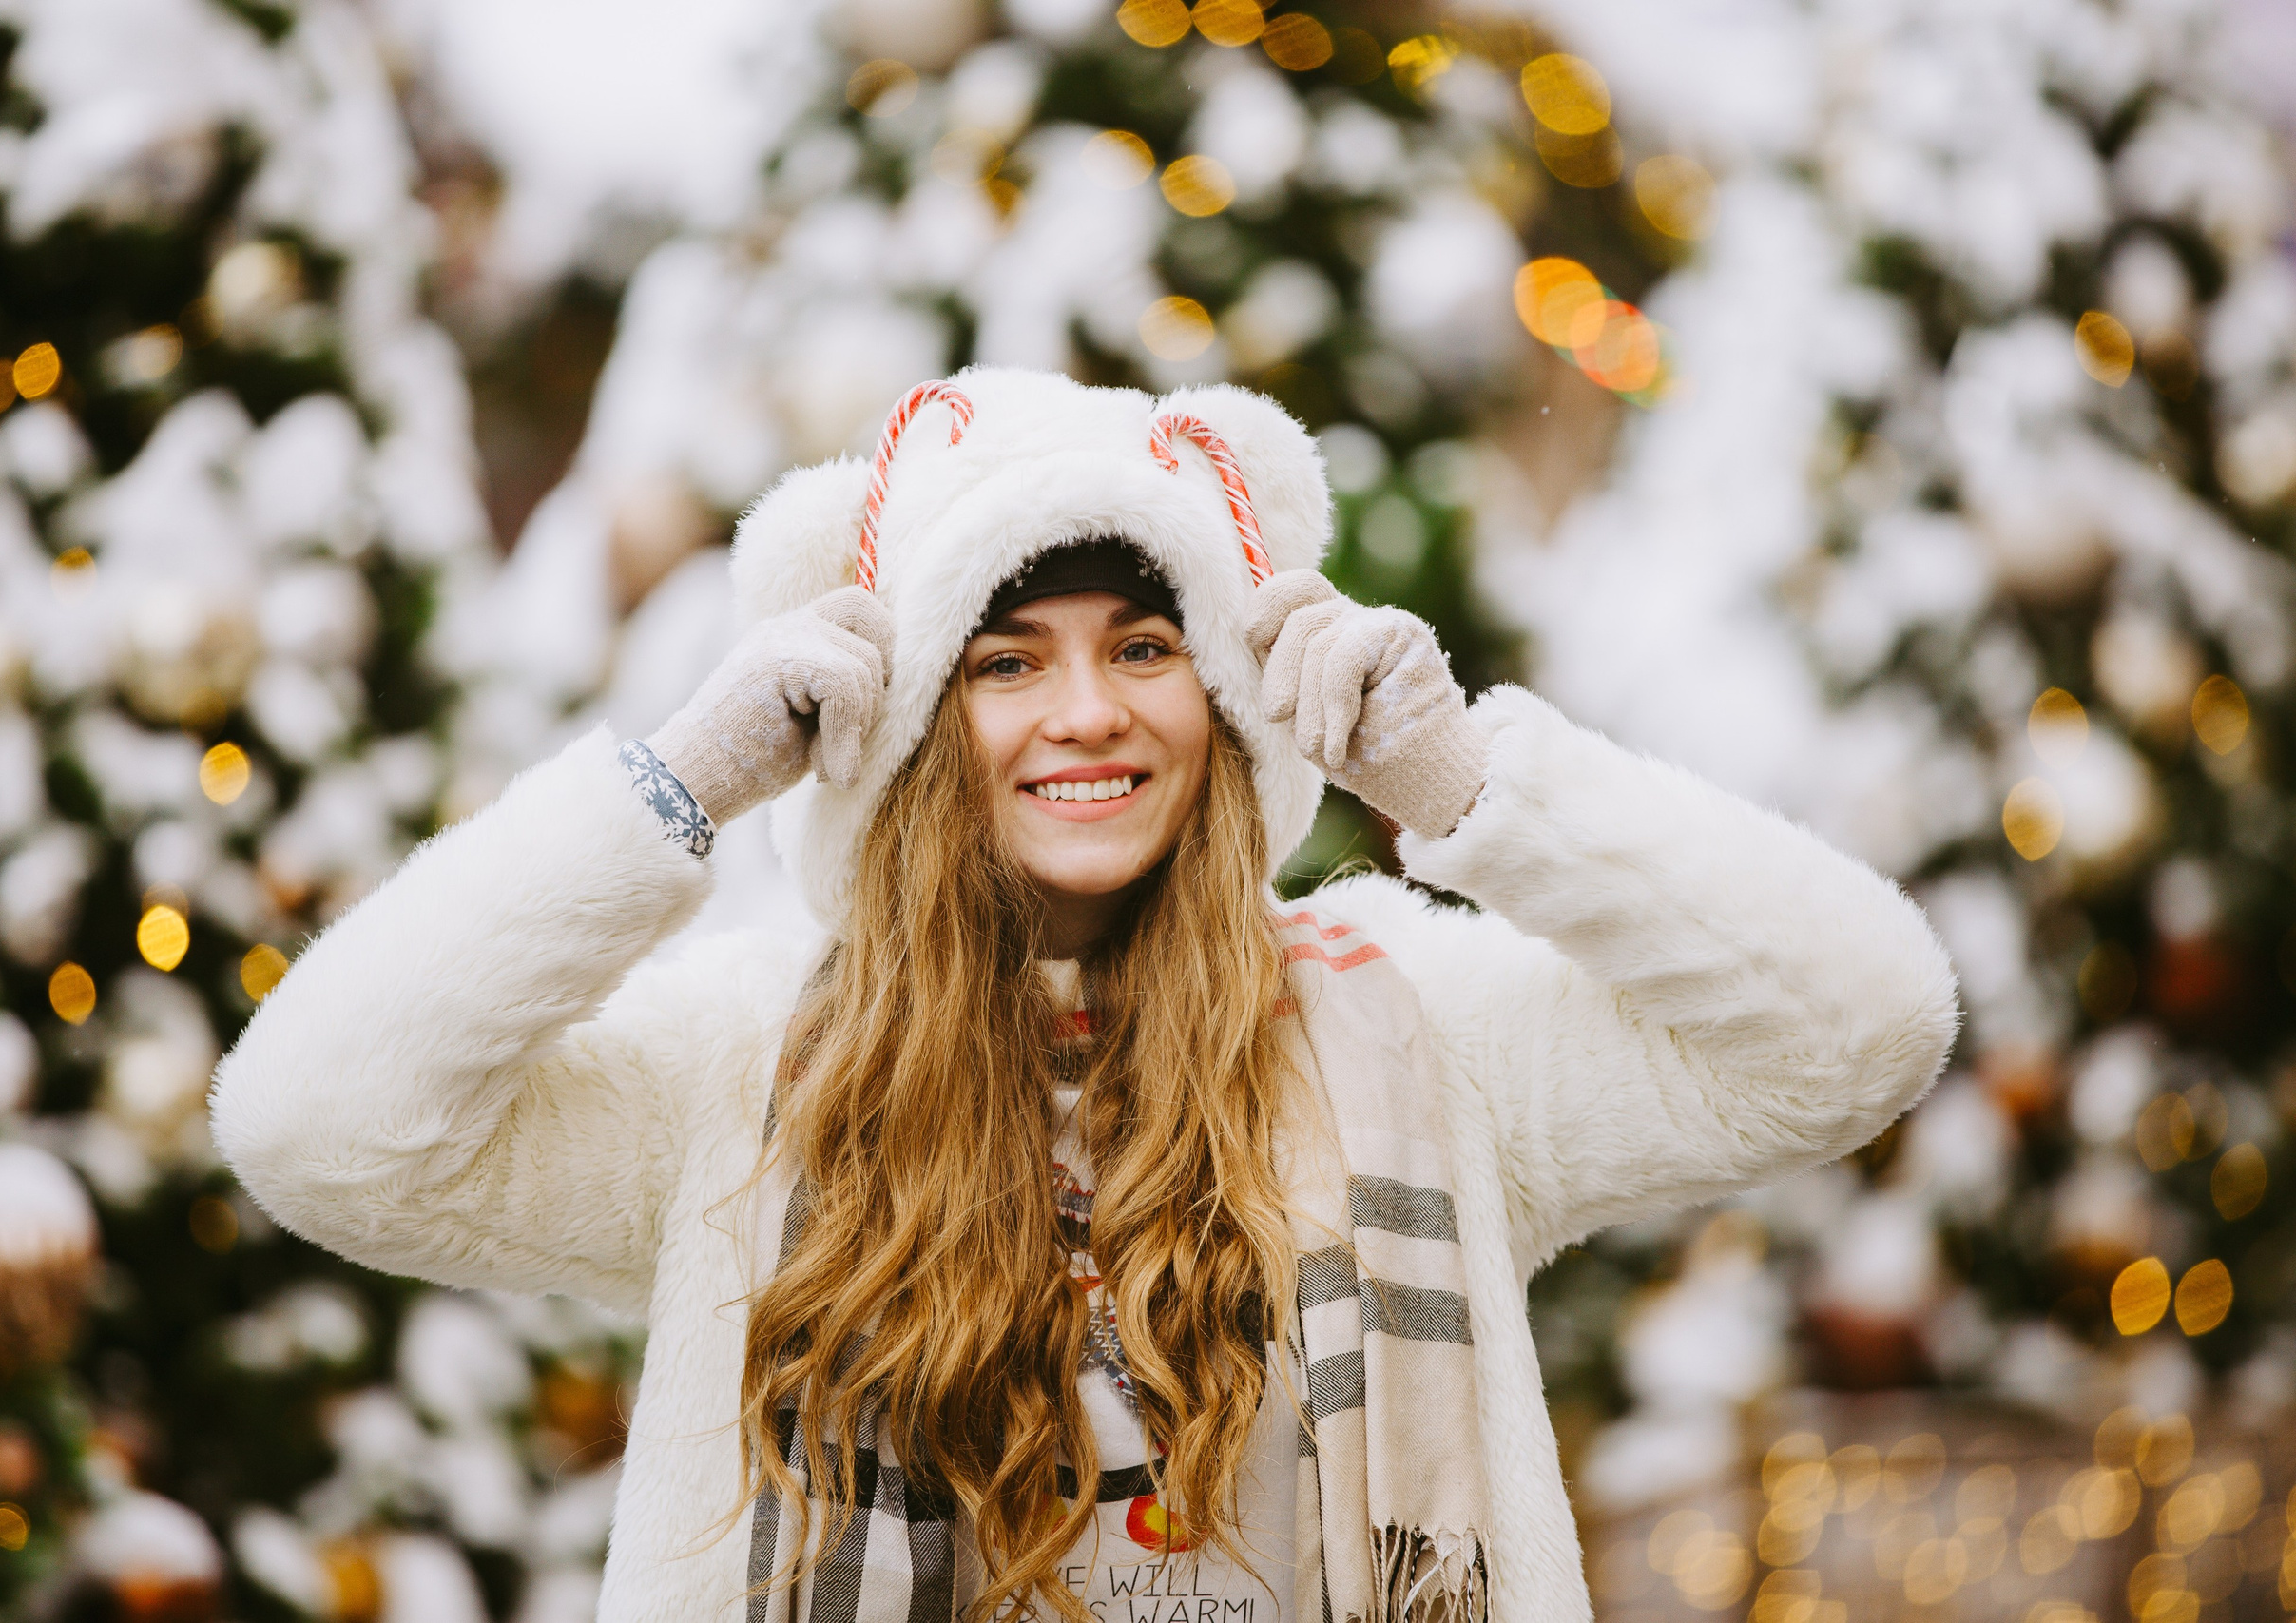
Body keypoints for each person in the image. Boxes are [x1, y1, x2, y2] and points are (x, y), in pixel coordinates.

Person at [213, 369, 1959, 1623]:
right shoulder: (747, 1073)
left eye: (1143, 646)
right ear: (904, 721)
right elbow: (317, 1129)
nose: (1087, 715)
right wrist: (674, 786)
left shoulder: (1418, 1024)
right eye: (1004, 660)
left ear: (1226, 699)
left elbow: (1864, 1023)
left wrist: (1477, 792)